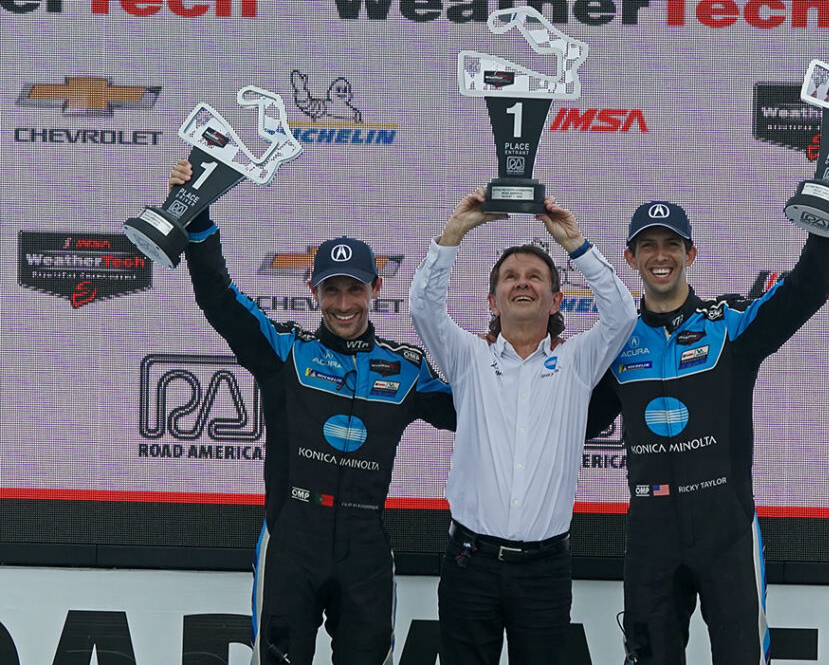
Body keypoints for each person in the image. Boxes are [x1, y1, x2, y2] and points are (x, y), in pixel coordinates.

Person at [168, 159, 456, 665]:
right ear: (313, 290)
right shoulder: (286, 353)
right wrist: (197, 218)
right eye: (331, 289)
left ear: (375, 289)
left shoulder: (407, 369)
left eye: (354, 289)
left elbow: (479, 411)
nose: (344, 303)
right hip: (291, 541)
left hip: (366, 546)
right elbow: (220, 299)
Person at [586, 161, 829, 665]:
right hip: (651, 536)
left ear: (690, 253)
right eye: (648, 245)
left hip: (727, 531)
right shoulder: (613, 342)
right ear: (630, 257)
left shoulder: (731, 324)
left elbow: (804, 290)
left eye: (671, 245)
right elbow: (574, 419)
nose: (660, 256)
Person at [408, 189, 637, 665]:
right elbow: (424, 308)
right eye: (510, 277)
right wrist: (455, 232)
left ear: (557, 301)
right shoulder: (468, 357)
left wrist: (574, 244)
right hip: (470, 563)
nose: (522, 283)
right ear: (493, 299)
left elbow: (622, 314)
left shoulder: (577, 362)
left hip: (545, 570)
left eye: (535, 277)